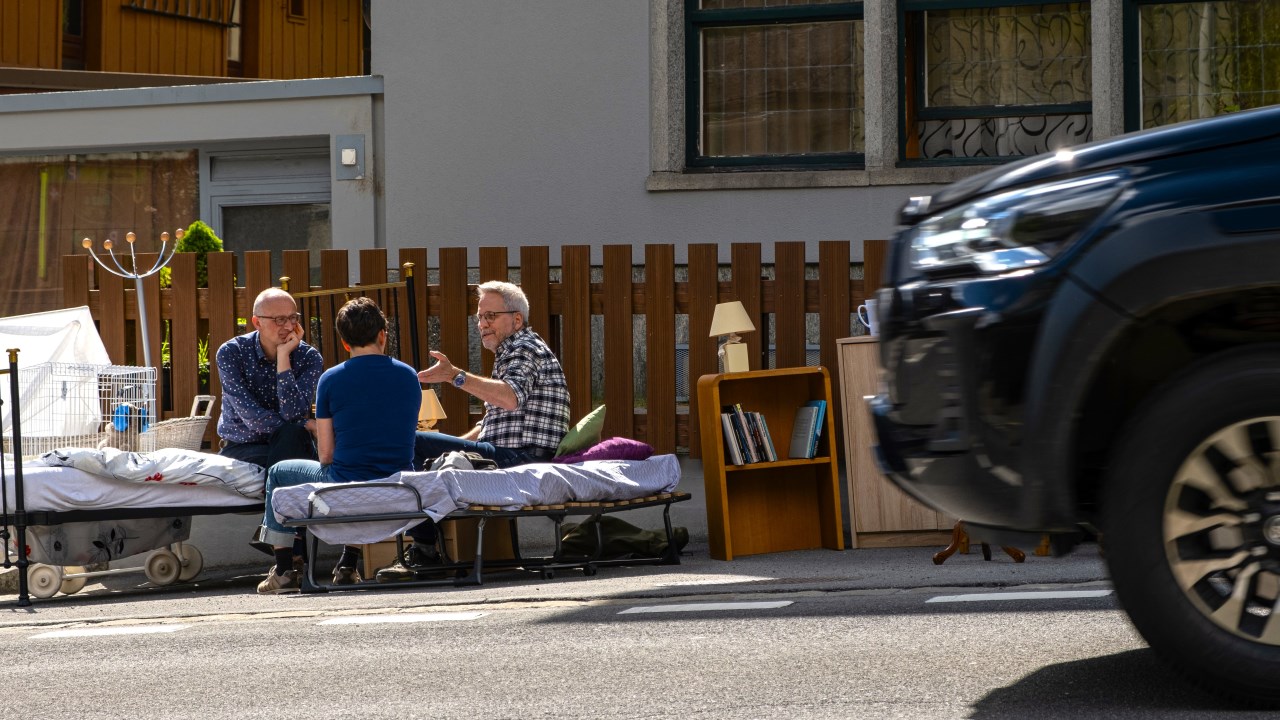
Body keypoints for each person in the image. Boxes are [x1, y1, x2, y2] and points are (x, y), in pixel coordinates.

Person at [377, 280, 570, 582]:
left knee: (406, 443)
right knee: (417, 444)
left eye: (490, 316)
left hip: (521, 460)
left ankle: (425, 548)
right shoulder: (513, 351)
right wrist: (450, 445)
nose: (482, 324)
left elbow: (509, 396)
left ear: (516, 319)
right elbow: (489, 426)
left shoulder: (523, 348)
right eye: (479, 317)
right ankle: (427, 547)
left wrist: (455, 376)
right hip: (509, 453)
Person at [256, 297, 421, 593]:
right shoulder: (409, 376)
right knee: (359, 474)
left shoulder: (331, 380)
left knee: (280, 471)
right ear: (383, 334)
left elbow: (327, 454)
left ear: (344, 343)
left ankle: (282, 570)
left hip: (344, 486)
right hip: (398, 486)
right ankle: (347, 564)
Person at [215, 287, 323, 469]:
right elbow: (252, 417)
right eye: (279, 320)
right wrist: (306, 423)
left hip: (292, 441)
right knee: (291, 449)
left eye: (293, 318)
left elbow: (293, 414)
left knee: (292, 437)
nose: (289, 327)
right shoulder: (232, 353)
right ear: (257, 322)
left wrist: (283, 358)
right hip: (244, 446)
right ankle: (281, 493)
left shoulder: (309, 357)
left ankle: (277, 492)